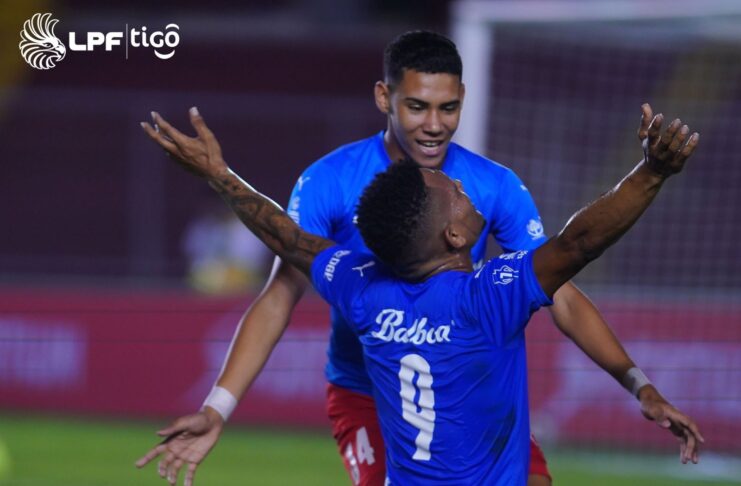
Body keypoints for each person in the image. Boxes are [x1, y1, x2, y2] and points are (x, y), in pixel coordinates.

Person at [137, 31, 682, 486]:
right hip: (364, 388)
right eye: (417, 106)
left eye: (448, 108)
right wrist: (218, 406)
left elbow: (287, 239)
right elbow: (281, 291)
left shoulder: (489, 188)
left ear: (463, 98)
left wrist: (638, 382)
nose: (434, 125)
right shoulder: (332, 179)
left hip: (464, 382)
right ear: (384, 97)